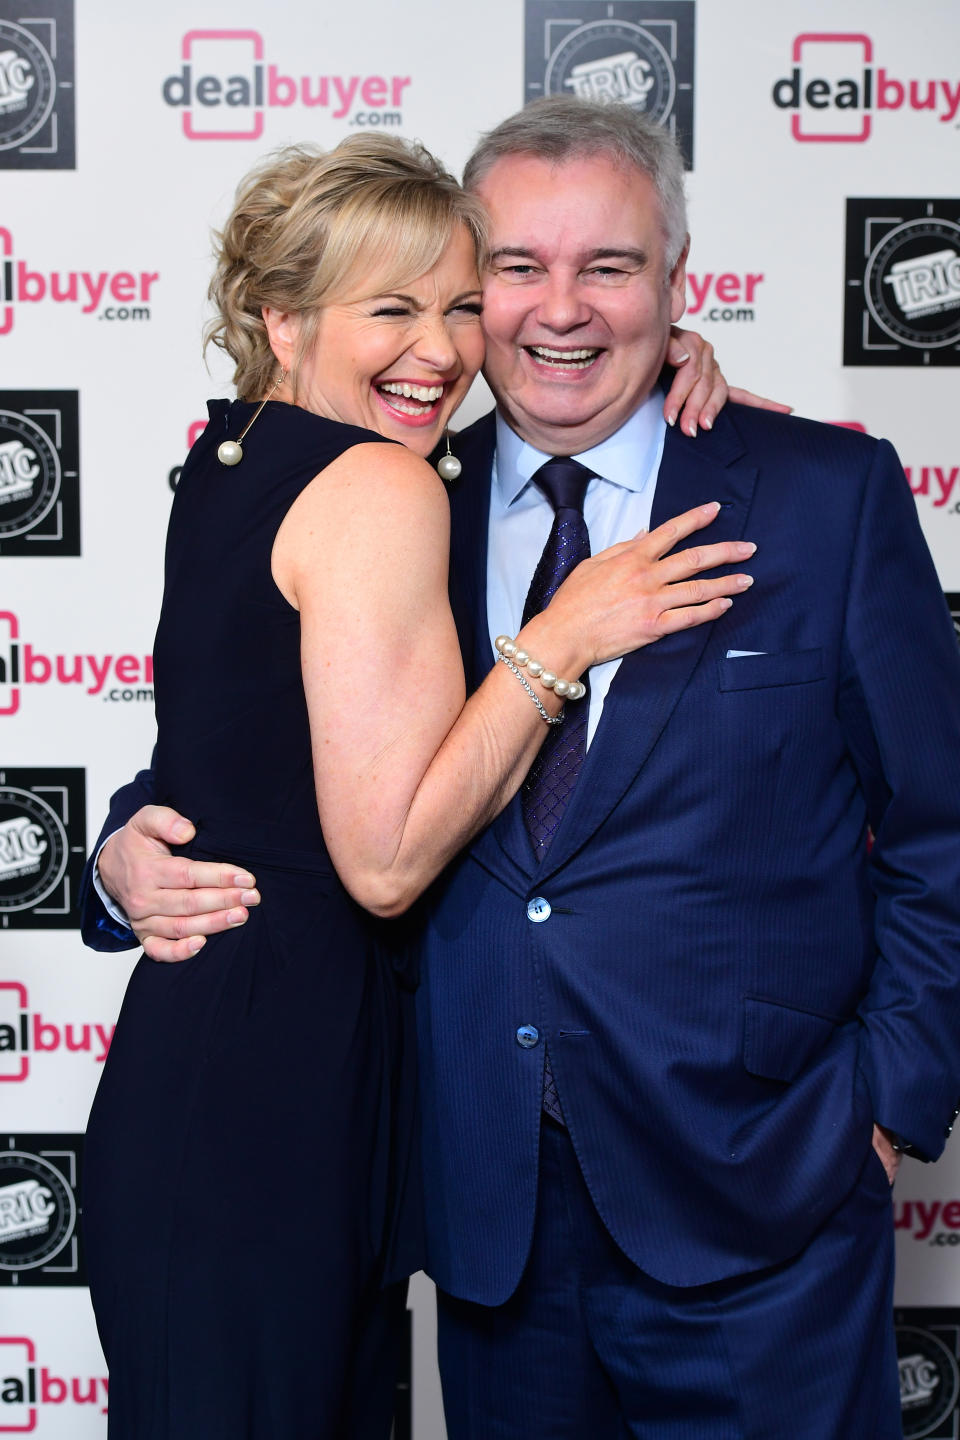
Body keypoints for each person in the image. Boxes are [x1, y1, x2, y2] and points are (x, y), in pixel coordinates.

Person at [82, 97, 960, 1436]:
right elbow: (252, 744)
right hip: (480, 1217)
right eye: (515, 269)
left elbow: (939, 827)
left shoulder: (819, 495)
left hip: (761, 1205)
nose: (563, 310)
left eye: (610, 267)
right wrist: (120, 852)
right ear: (466, 284)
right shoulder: (393, 490)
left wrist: (884, 1111)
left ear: (676, 281)